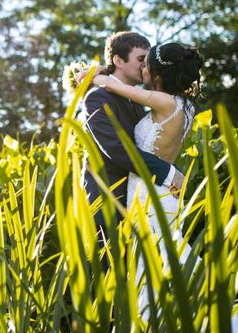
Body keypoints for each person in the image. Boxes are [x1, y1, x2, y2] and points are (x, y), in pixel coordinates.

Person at [91, 42, 238, 333]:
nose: (141, 69)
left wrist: (94, 74)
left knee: (159, 265)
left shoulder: (161, 102)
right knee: (164, 262)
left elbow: (106, 83)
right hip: (162, 195)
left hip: (150, 196)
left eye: (145, 65)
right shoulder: (183, 106)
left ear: (155, 75)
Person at [79, 32, 184, 231]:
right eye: (140, 59)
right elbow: (116, 148)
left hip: (138, 204)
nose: (146, 66)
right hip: (108, 205)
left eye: (147, 60)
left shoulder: (137, 102)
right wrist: (168, 173)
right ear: (118, 60)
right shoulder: (97, 97)